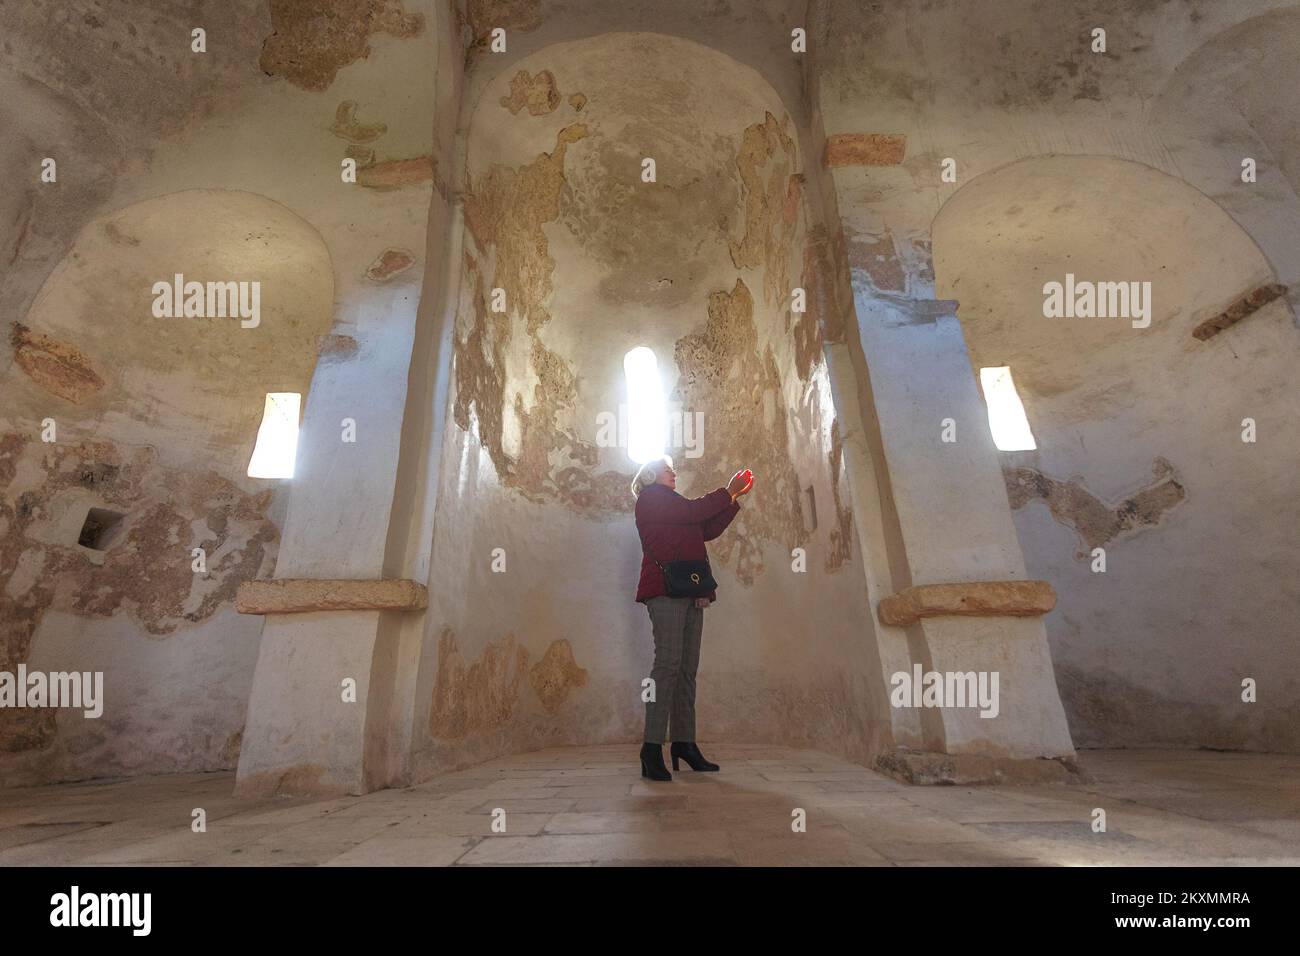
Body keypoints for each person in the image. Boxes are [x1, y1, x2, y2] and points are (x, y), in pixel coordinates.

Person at [630, 456, 753, 781]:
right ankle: (651, 747)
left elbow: (706, 528)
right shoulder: (650, 499)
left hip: (690, 588)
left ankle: (684, 743)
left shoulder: (674, 504)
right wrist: (726, 491)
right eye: (668, 469)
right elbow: (693, 513)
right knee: (667, 665)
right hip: (665, 589)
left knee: (686, 670)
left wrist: (733, 499)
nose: (674, 473)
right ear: (653, 474)